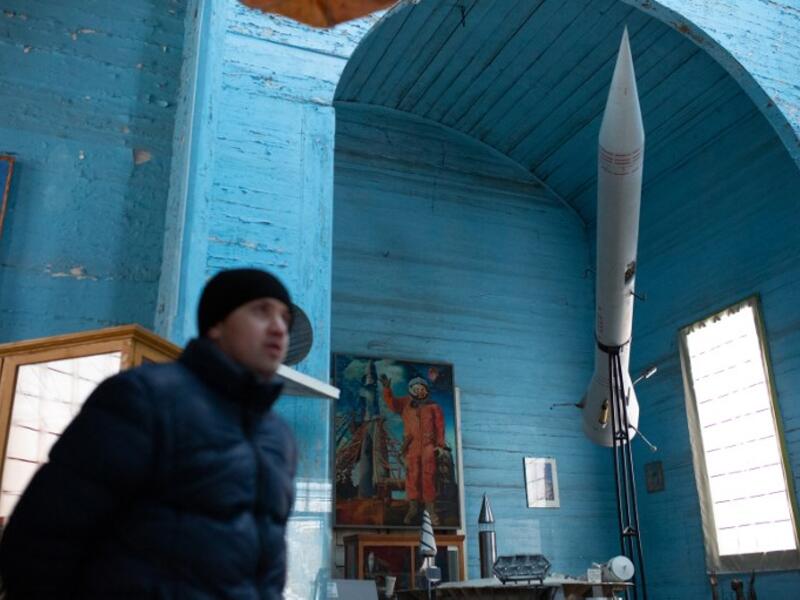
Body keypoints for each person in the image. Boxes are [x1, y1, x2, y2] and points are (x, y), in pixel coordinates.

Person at [0, 268, 298, 599]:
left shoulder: (277, 436)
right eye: (261, 311)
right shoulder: (146, 398)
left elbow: (266, 566)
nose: (279, 328)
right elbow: (43, 536)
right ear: (216, 324)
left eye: (285, 319)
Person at [380, 375, 445, 525]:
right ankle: (413, 509)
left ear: (426, 390)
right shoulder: (405, 403)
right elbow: (392, 404)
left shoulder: (434, 407)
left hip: (429, 447)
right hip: (411, 446)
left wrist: (440, 446)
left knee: (428, 476)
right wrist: (387, 389)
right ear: (411, 391)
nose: (419, 391)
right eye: (416, 389)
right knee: (412, 476)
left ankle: (431, 510)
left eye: (422, 389)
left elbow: (440, 427)